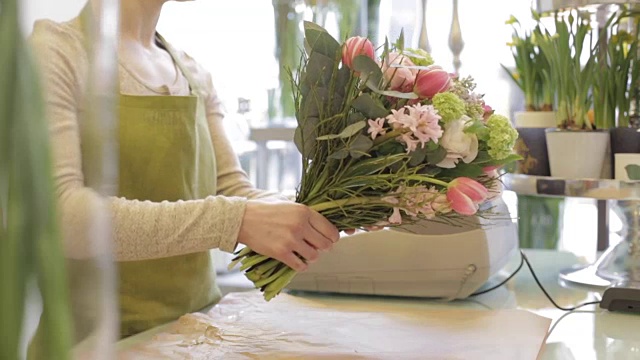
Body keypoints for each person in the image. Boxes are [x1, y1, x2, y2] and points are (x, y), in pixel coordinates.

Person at [28, 0, 341, 345]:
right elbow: (60, 217)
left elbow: (234, 190)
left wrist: (335, 203)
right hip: (96, 345)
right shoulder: (55, 51)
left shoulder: (192, 73)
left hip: (197, 337)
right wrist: (233, 220)